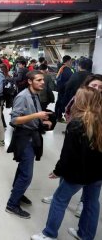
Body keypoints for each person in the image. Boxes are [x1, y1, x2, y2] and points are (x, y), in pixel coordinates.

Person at [31, 87, 102, 240]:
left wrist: (58, 171)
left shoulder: (76, 123)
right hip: (97, 173)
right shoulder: (99, 120)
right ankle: (85, 235)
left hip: (77, 174)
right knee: (91, 203)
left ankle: (49, 234)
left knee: (59, 200)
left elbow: (68, 154)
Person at [5, 70, 53, 219]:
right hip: (24, 137)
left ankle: (17, 193)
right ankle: (12, 204)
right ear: (30, 81)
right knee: (27, 174)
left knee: (22, 169)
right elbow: (14, 120)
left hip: (32, 135)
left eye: (42, 80)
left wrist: (42, 120)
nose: (42, 82)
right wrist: (37, 116)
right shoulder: (23, 96)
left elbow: (33, 114)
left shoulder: (34, 95)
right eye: (38, 80)